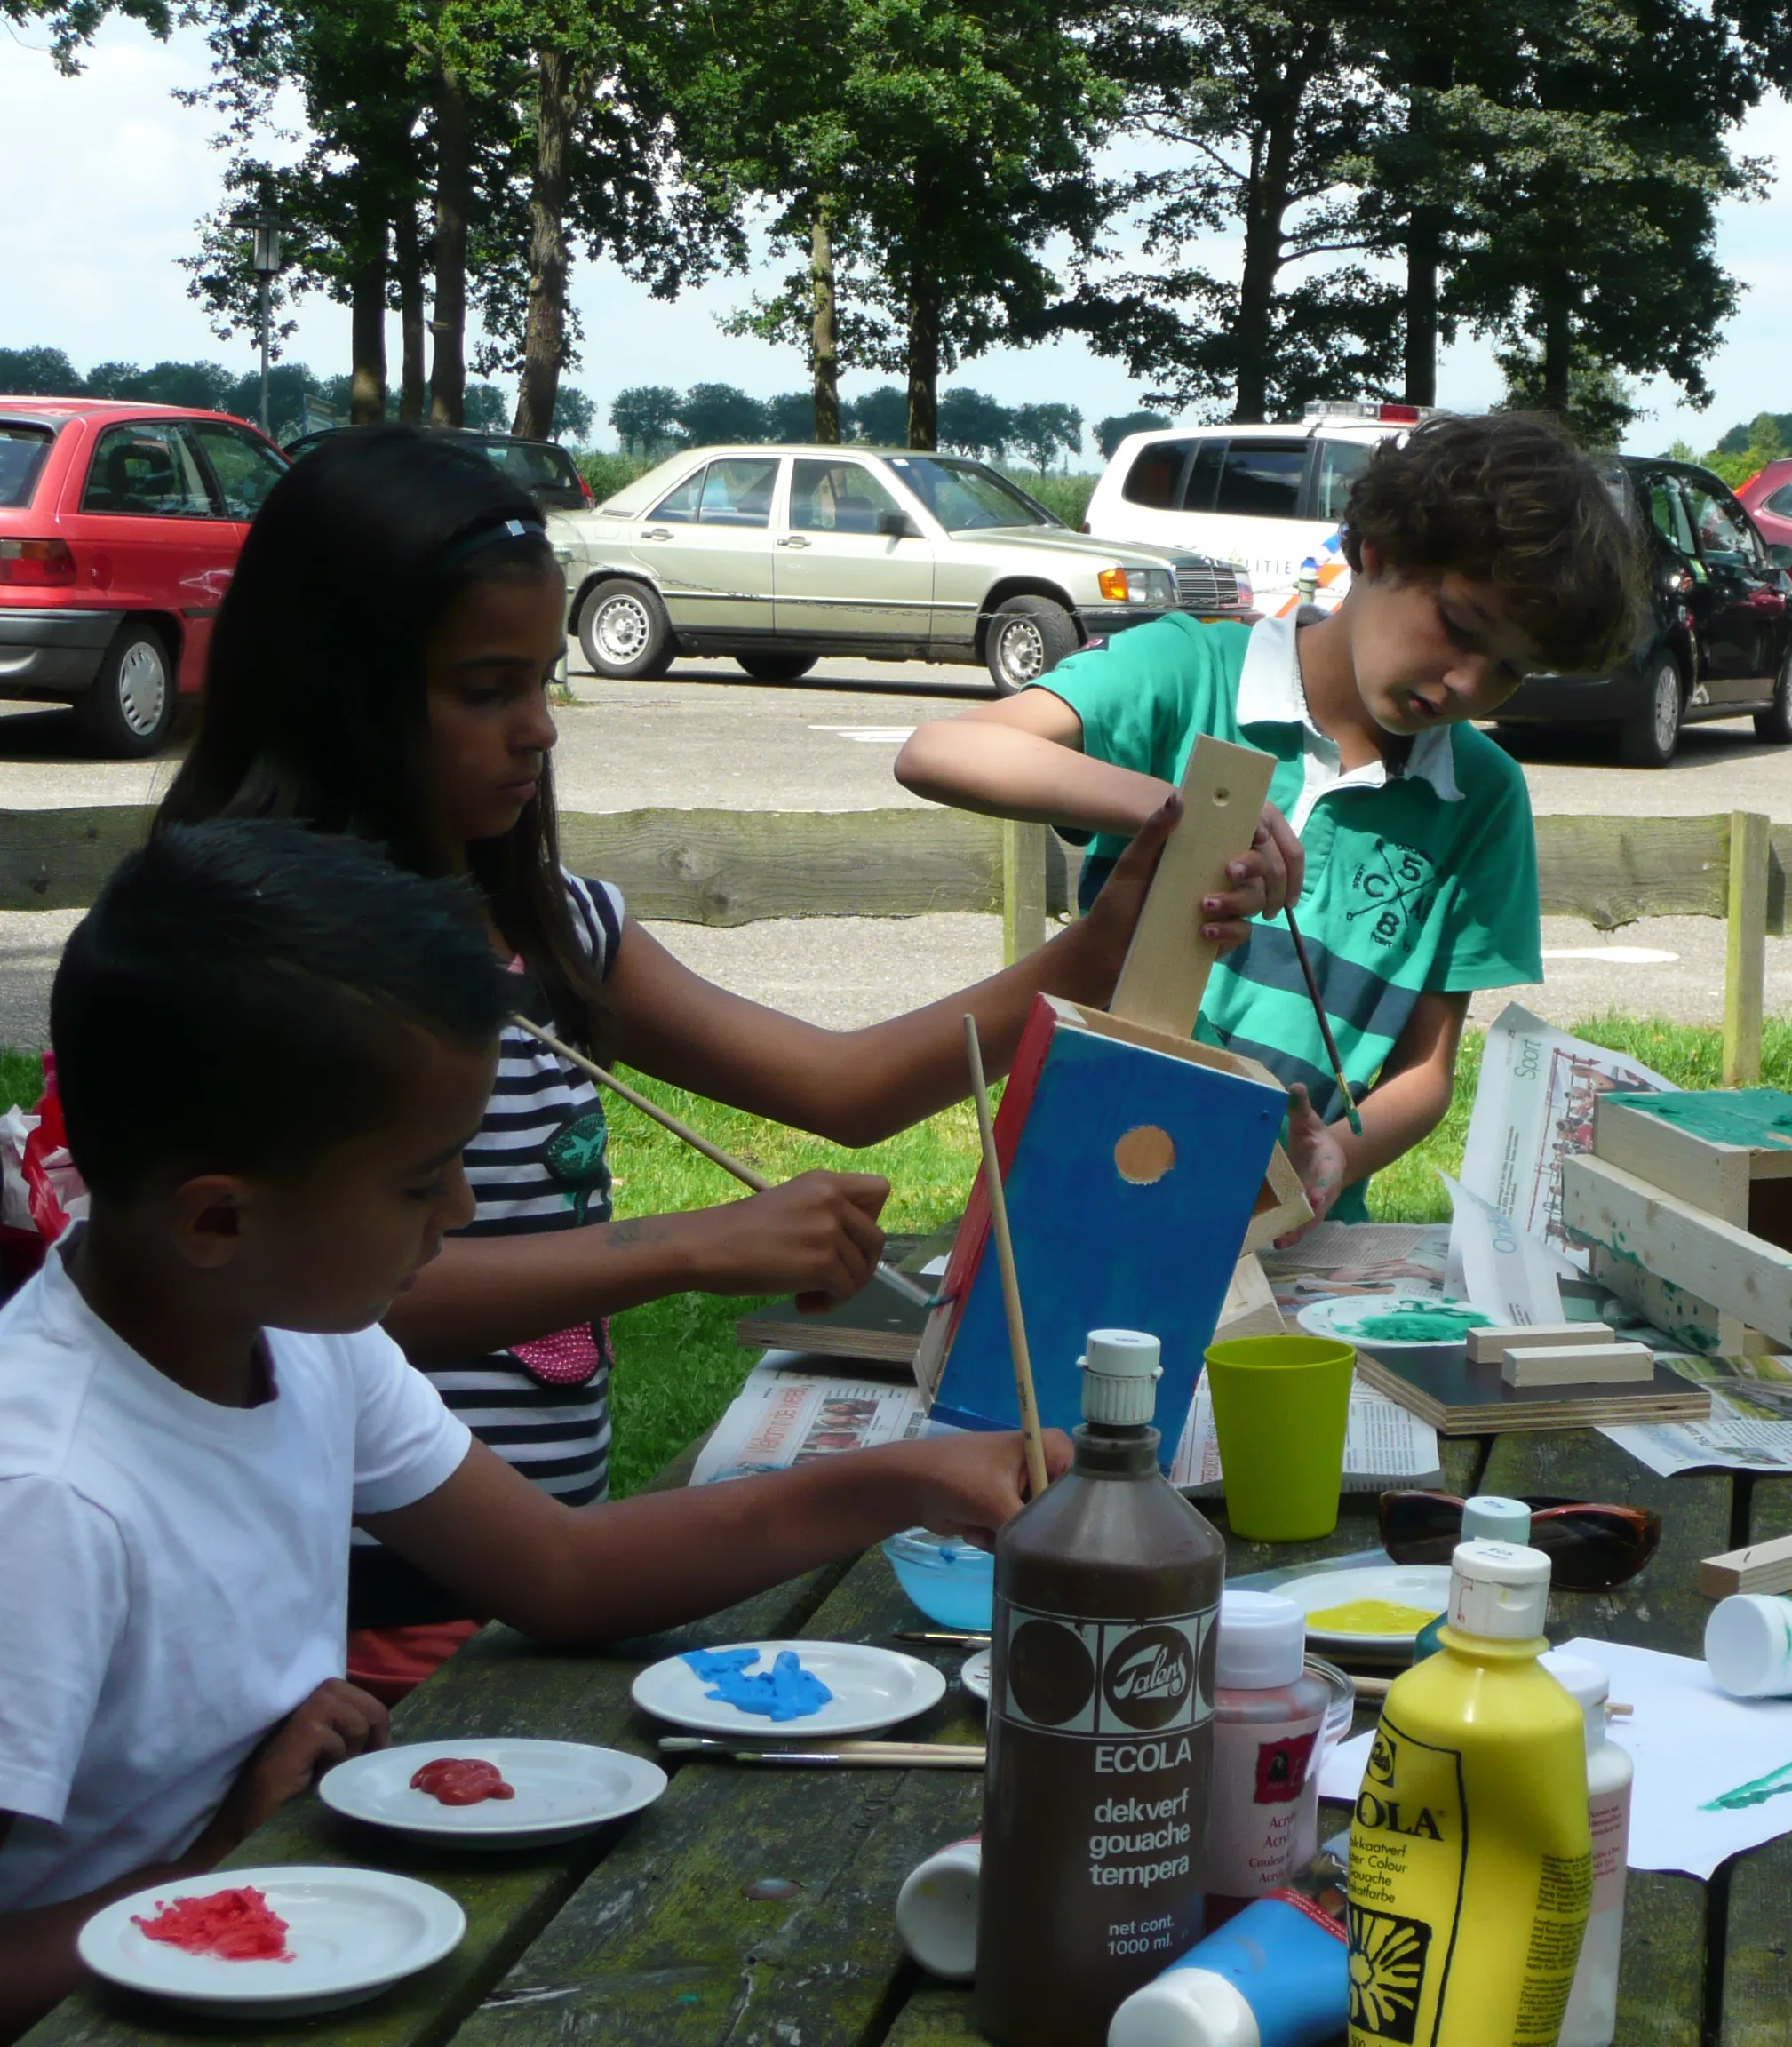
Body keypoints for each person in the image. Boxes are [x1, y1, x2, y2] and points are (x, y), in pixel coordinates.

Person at [150, 426, 1299, 1695]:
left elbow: (843, 1088)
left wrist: (1102, 942)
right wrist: (691, 1246)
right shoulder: (252, 972)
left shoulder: (558, 928)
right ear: (335, 686)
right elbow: (321, 1294)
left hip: (548, 1567)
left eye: (544, 683)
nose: (537, 732)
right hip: (363, 1599)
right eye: (484, 691)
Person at [0, 821, 1071, 2040]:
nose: (460, 1209)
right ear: (215, 1222)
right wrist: (221, 1857)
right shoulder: (47, 1499)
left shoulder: (297, 1335)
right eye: (422, 1183)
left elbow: (562, 1572)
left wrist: (910, 1480)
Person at [894, 411, 1647, 1219]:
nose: (1467, 681)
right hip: (1085, 1182)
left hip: (1287, 1231)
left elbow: (1427, 1071)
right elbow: (939, 752)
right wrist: (1173, 809)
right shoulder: (1189, 673)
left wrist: (1337, 1154)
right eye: (1460, 625)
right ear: (1377, 550)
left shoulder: (1482, 797)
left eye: (1512, 670)